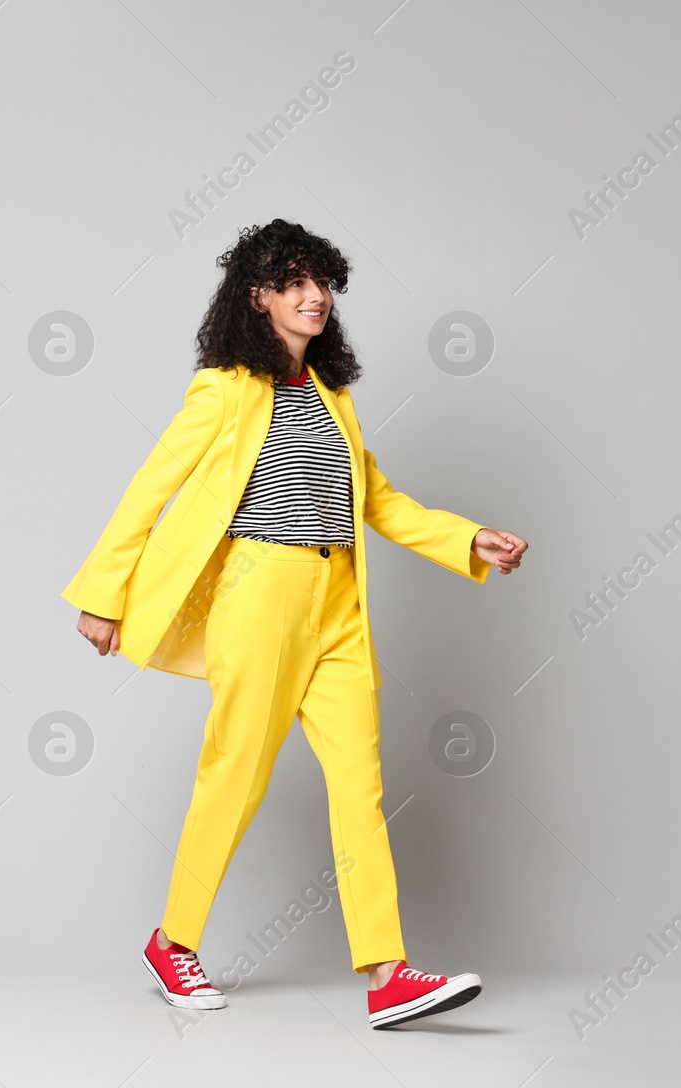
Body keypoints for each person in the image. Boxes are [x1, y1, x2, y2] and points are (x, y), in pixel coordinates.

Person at [62, 219, 527, 1029]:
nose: (315, 297)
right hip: (261, 588)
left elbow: (377, 500)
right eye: (295, 283)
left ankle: (388, 974)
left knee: (361, 782)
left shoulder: (333, 397)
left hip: (338, 598)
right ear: (259, 297)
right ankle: (173, 940)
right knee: (236, 768)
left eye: (323, 283)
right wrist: (104, 593)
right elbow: (151, 488)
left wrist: (467, 540)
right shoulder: (225, 389)